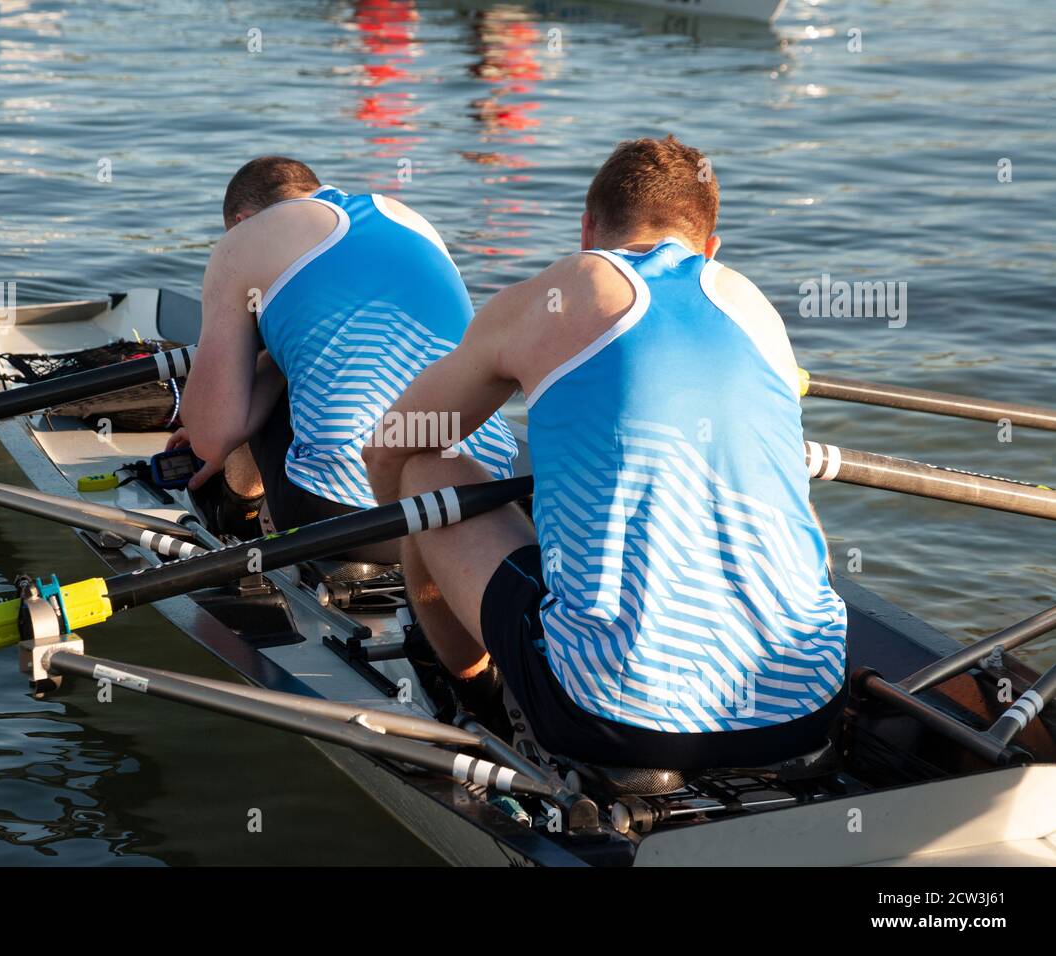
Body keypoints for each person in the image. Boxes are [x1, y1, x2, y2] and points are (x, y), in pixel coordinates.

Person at [363, 135, 848, 770]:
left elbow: (393, 444)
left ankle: (476, 701)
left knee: (427, 468)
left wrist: (412, 543)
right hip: (811, 712)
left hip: (606, 717)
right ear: (709, 249)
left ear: (587, 229)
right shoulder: (754, 307)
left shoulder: (565, 287)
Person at [167, 156, 518, 566]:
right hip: (486, 496)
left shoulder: (243, 241)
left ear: (242, 219)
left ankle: (239, 509)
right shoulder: (408, 217)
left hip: (350, 522)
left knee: (250, 367)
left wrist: (249, 377)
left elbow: (210, 435)